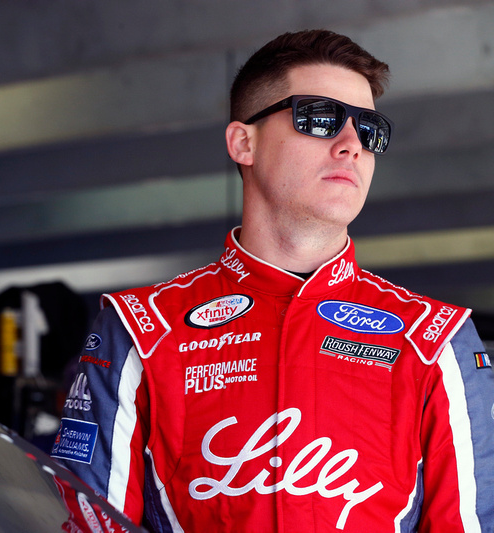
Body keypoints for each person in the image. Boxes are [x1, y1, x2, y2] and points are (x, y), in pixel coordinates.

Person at [50, 29, 494, 532]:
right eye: (321, 120)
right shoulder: (139, 330)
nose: (352, 145)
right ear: (244, 142)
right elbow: (88, 523)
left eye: (369, 131)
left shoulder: (436, 339)